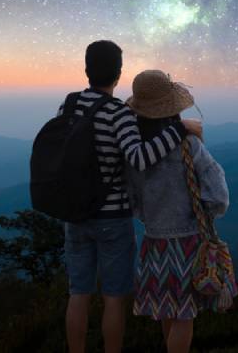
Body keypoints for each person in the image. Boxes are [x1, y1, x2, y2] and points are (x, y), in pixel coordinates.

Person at [60, 41, 201, 353]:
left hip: (74, 215)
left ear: (86, 70)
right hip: (111, 218)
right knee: (113, 298)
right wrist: (179, 131)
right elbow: (139, 158)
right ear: (118, 74)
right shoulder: (118, 112)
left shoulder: (68, 106)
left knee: (78, 293)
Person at [125, 69, 231, 353]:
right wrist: (209, 213)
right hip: (188, 240)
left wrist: (149, 217)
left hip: (154, 240)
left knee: (167, 310)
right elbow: (216, 189)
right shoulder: (189, 144)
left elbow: (133, 199)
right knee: (185, 313)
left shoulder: (135, 153)